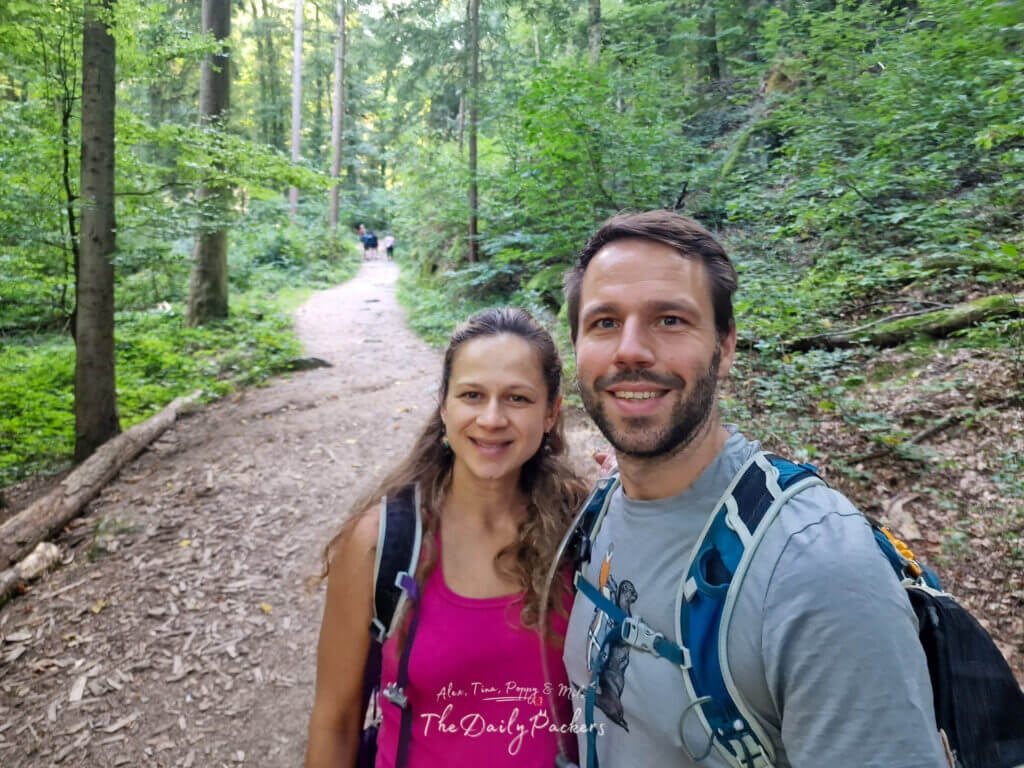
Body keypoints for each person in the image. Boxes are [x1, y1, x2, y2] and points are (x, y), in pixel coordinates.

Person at [560, 210, 949, 767]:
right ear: (577, 346)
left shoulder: (815, 571)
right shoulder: (602, 511)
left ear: (726, 346)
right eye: (603, 322)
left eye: (669, 320)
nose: (630, 350)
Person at [305, 307, 588, 768]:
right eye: (472, 395)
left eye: (517, 398)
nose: (492, 418)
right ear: (444, 406)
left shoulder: (584, 528)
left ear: (552, 412)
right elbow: (335, 719)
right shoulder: (383, 544)